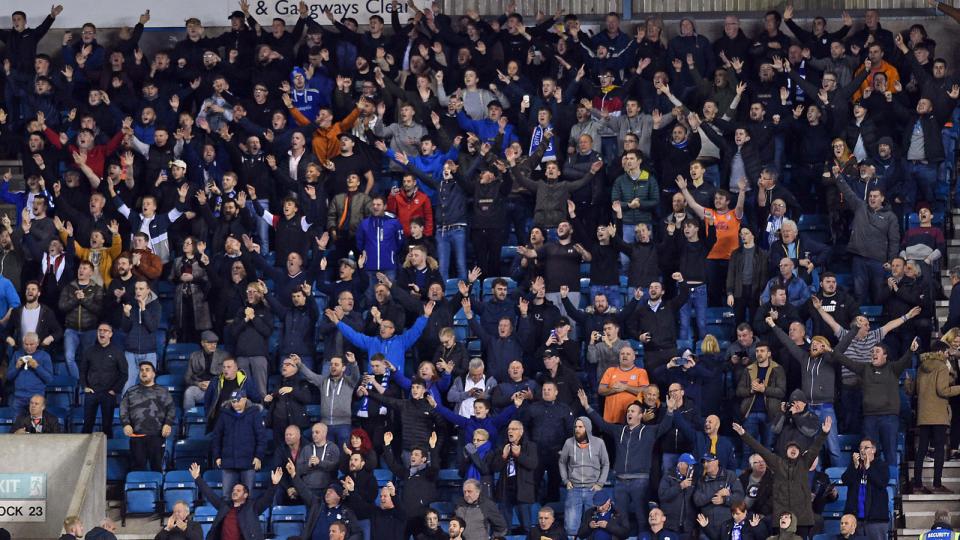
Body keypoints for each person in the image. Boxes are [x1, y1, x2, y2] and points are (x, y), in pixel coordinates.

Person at [579, 388, 678, 534]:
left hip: (640, 481)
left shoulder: (649, 431)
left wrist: (670, 410)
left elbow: (665, 426)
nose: (629, 413)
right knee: (622, 520)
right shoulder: (619, 430)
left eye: (633, 411)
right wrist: (587, 406)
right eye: (628, 411)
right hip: (620, 482)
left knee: (643, 519)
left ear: (641, 415)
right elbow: (602, 424)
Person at [732, 416, 832, 539]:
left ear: (799, 452)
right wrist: (743, 434)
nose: (793, 449)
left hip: (802, 518)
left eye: (796, 448)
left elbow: (815, 448)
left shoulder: (804, 463)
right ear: (786, 451)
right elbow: (760, 449)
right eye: (790, 448)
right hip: (781, 517)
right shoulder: (777, 463)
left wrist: (824, 433)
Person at [189, 462, 282, 540]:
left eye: (238, 491)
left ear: (245, 495)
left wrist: (274, 484)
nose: (234, 492)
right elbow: (210, 494)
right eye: (233, 490)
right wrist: (197, 478)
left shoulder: (252, 507)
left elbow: (267, 499)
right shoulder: (224, 506)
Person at [913, 351, 960, 493]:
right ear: (940, 352)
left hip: (923, 414)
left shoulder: (921, 367)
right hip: (938, 414)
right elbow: (942, 390)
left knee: (921, 449)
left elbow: (914, 389)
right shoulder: (941, 366)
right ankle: (937, 484)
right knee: (940, 449)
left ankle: (917, 484)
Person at [211, 390, 269, 498]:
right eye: (233, 401)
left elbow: (261, 437)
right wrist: (217, 456)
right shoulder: (224, 414)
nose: (235, 404)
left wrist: (258, 457)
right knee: (227, 496)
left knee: (247, 496)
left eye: (238, 401)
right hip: (228, 463)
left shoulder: (254, 414)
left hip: (248, 462)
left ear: (245, 399)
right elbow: (216, 437)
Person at [559, 416, 610, 538]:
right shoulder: (568, 443)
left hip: (593, 490)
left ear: (587, 428)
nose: (577, 429)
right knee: (571, 526)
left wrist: (600, 483)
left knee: (591, 525)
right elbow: (562, 462)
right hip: (574, 489)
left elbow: (606, 463)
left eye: (580, 427)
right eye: (576, 427)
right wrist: (565, 480)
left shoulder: (599, 443)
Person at [286, 459, 363, 540]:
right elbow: (304, 491)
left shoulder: (346, 512)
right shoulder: (317, 504)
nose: (328, 493)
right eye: (327, 491)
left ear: (339, 496)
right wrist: (294, 474)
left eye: (331, 491)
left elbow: (357, 533)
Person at [120, 362, 176, 471]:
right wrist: (126, 424)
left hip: (157, 436)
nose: (144, 372)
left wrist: (168, 424)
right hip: (137, 436)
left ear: (154, 374)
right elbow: (123, 409)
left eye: (147, 369)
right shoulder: (131, 391)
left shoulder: (163, 391)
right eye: (141, 370)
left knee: (157, 468)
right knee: (137, 469)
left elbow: (171, 408)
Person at [79, 323, 126, 435]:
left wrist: (115, 390)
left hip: (108, 394)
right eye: (100, 330)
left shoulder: (117, 352)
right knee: (87, 426)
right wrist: (85, 387)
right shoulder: (89, 351)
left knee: (107, 427)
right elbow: (82, 371)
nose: (102, 332)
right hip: (92, 392)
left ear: (111, 334)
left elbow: (124, 374)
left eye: (105, 330)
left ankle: (107, 451)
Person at [841, 439, 890, 540]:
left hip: (876, 520)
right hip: (856, 520)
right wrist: (854, 467)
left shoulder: (882, 466)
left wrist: (868, 468)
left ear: (874, 450)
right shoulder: (855, 466)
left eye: (866, 448)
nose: (862, 450)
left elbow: (881, 483)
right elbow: (845, 480)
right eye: (860, 448)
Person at [693, 454, 746, 540]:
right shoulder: (701, 480)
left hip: (727, 526)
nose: (706, 464)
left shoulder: (730, 475)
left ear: (717, 462)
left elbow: (740, 497)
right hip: (707, 526)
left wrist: (724, 500)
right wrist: (716, 493)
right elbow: (697, 500)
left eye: (709, 461)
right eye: (704, 462)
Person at [183, 331, 230, 410]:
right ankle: (189, 418)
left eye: (215, 343)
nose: (213, 346)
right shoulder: (194, 356)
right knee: (189, 392)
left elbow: (229, 377)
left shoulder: (224, 356)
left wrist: (214, 384)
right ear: (202, 343)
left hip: (218, 389)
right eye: (210, 343)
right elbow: (187, 378)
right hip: (201, 388)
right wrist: (198, 384)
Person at [8, 332, 54, 412]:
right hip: (19, 399)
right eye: (26, 344)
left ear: (37, 343)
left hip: (36, 399)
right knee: (17, 424)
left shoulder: (44, 356)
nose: (28, 347)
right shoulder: (17, 354)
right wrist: (16, 367)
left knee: (36, 424)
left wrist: (37, 367)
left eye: (31, 344)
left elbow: (49, 379)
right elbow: (9, 377)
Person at [657, 453, 699, 537]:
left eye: (692, 465)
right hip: (670, 526)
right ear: (680, 464)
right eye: (689, 465)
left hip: (687, 528)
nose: (691, 468)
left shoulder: (694, 480)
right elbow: (662, 495)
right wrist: (680, 486)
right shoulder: (668, 476)